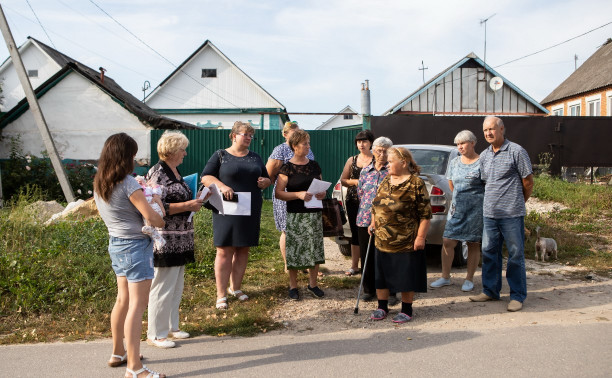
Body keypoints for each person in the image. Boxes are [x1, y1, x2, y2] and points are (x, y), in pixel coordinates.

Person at [93, 133, 166, 378]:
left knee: (122, 301)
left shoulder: (100, 181)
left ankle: (118, 352)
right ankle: (135, 368)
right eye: (133, 155)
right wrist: (156, 200)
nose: (135, 159)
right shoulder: (128, 183)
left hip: (116, 244)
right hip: (136, 246)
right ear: (125, 157)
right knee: (136, 306)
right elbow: (154, 219)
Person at [145, 130, 209, 348]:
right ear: (171, 150)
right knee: (162, 285)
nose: (185, 153)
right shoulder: (157, 173)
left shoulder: (175, 170)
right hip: (166, 238)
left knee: (176, 285)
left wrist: (198, 199)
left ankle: (172, 327)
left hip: (182, 236)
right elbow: (154, 207)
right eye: (182, 149)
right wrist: (187, 206)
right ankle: (156, 333)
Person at [201, 121, 271, 310]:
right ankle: (221, 294)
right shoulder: (221, 155)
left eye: (251, 135)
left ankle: (236, 288)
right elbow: (206, 176)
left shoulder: (255, 157)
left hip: (249, 207)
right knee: (224, 250)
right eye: (245, 134)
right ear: (233, 136)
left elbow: (267, 178)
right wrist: (222, 186)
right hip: (227, 207)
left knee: (243, 249)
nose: (248, 138)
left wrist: (265, 181)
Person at [469, 116, 533, 312]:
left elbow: (528, 182)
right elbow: (486, 183)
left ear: (502, 129)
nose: (488, 133)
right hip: (489, 213)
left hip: (511, 214)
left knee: (515, 255)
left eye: (492, 129)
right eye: (485, 130)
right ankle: (490, 290)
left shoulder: (516, 151)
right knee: (489, 252)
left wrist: (517, 203)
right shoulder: (485, 155)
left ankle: (517, 296)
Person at [369, 147, 432, 323]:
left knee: (405, 276)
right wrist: (373, 221)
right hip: (381, 239)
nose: (386, 164)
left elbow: (425, 214)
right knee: (381, 276)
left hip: (405, 241)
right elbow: (376, 204)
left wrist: (420, 237)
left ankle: (406, 309)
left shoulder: (415, 184)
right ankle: (382, 307)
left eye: (390, 162)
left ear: (403, 163)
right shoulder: (386, 181)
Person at [430, 130, 485, 292]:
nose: (460, 147)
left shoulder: (482, 161)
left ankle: (469, 279)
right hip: (457, 208)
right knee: (447, 241)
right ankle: (445, 277)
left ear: (472, 143)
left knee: (473, 242)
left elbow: (487, 184)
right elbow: (451, 183)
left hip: (476, 208)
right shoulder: (454, 162)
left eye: (463, 143)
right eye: (458, 144)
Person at [275, 129, 326, 301]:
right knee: (295, 251)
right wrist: (297, 194)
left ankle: (313, 284)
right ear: (295, 146)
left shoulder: (315, 165)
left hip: (314, 213)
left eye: (308, 143)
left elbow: (321, 187)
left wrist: (322, 194)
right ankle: (293, 286)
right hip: (296, 214)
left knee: (315, 248)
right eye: (305, 144)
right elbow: (279, 193)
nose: (308, 146)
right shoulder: (286, 167)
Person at [265, 121, 314, 271]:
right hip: (286, 194)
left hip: (305, 195)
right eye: (293, 133)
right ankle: (288, 263)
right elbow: (269, 173)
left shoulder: (308, 150)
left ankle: (303, 263)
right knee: (288, 229)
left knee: (305, 228)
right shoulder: (280, 150)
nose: (297, 136)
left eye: (298, 132)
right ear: (285, 135)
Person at [356, 136, 393, 302]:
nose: (382, 154)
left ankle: (391, 292)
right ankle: (369, 289)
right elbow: (360, 193)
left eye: (385, 151)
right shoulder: (365, 170)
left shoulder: (392, 171)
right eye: (379, 150)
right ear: (373, 150)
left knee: (386, 256)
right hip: (364, 218)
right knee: (367, 256)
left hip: (386, 220)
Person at [340, 130, 375, 276]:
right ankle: (355, 266)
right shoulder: (352, 160)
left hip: (372, 202)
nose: (361, 144)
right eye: (359, 141)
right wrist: (355, 181)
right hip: (353, 200)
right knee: (355, 232)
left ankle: (370, 266)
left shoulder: (376, 159)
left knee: (371, 232)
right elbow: (343, 180)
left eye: (364, 141)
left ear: (371, 143)